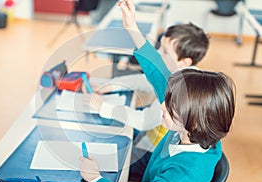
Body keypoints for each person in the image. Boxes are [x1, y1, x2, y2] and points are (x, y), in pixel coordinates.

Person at [80, 68, 236, 182]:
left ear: (194, 122)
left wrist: (94, 180)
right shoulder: (188, 134)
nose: (162, 106)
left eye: (171, 105)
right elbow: (160, 160)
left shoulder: (184, 175)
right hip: (150, 181)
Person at [84, 22, 209, 151]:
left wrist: (103, 107)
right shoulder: (184, 74)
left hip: (152, 149)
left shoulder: (180, 91)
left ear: (184, 62)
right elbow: (145, 81)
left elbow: (143, 121)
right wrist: (113, 85)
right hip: (150, 132)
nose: (158, 53)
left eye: (165, 51)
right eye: (160, 47)